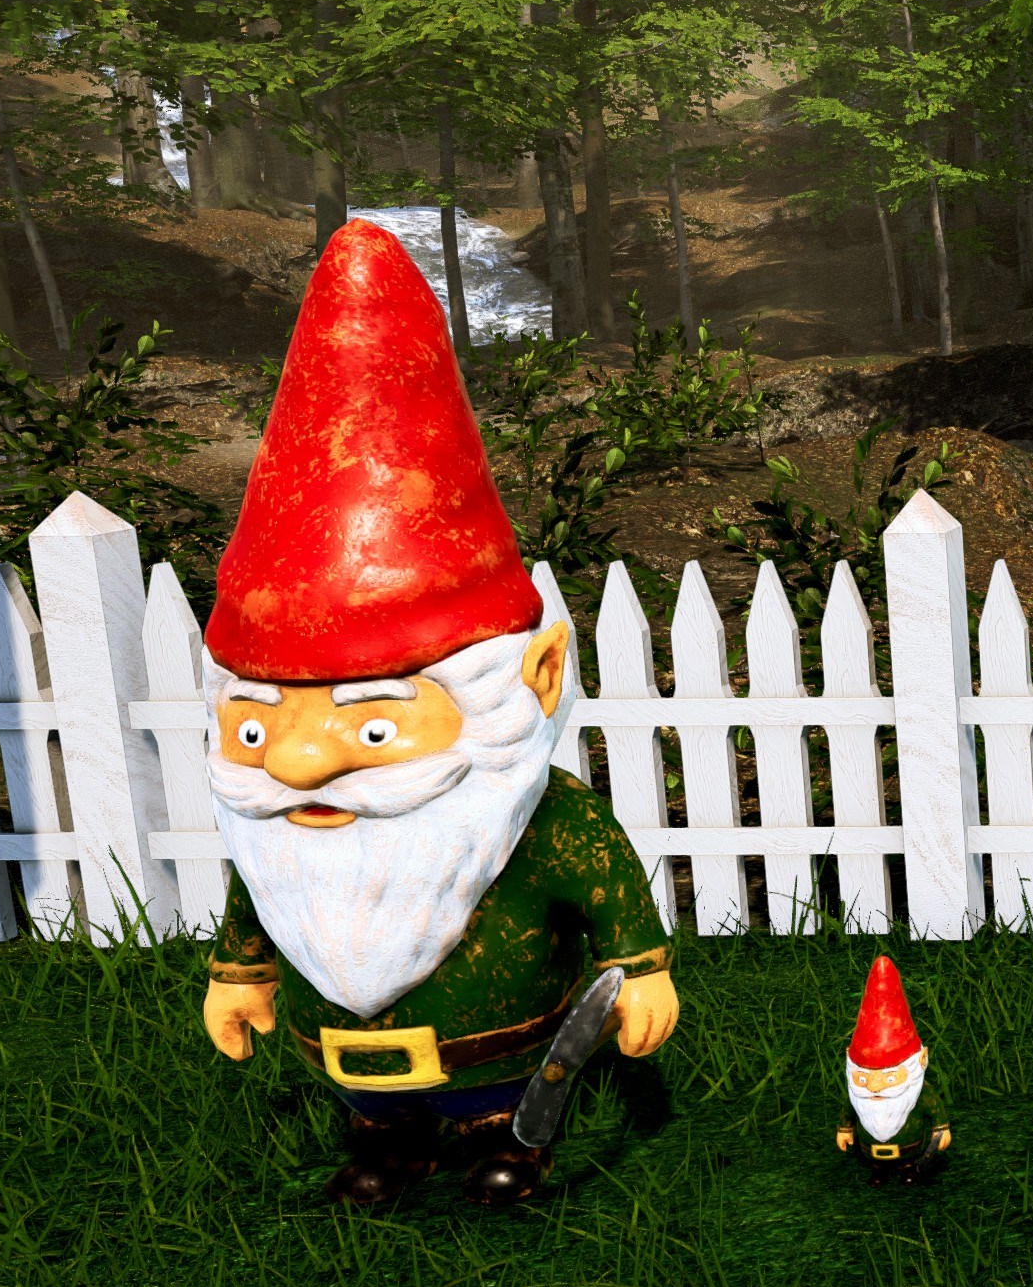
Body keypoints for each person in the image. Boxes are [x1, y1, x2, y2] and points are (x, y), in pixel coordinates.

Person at [196, 222, 678, 1206]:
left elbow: (605, 886)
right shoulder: (287, 837)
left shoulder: (543, 821)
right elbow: (261, 896)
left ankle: (508, 1138)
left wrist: (640, 968)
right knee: (379, 1131)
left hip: (504, 1046)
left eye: (373, 728)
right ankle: (384, 1143)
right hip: (345, 1049)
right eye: (256, 729)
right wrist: (239, 974)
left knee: (497, 1119)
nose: (296, 767)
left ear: (535, 680)